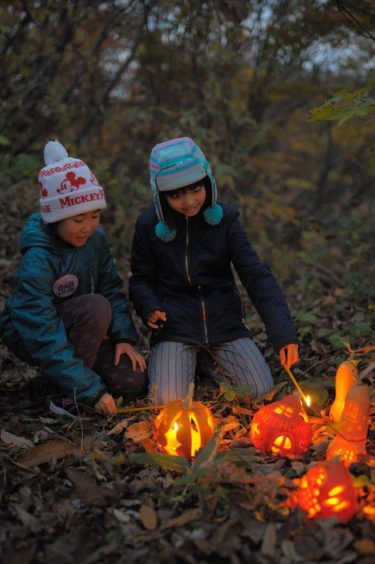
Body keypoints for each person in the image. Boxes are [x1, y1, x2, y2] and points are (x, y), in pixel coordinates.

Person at [129, 136, 299, 404]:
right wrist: (148, 305)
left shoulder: (225, 220)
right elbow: (140, 279)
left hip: (224, 326)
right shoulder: (148, 226)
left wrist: (283, 333)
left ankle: (207, 362)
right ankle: (186, 361)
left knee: (259, 391)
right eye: (176, 194)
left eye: (196, 189)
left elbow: (256, 276)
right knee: (167, 402)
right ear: (160, 195)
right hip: (176, 327)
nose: (188, 202)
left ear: (208, 181)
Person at [0, 140, 147, 416]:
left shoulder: (96, 241)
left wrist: (123, 337)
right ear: (55, 218)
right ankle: (63, 393)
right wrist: (89, 390)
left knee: (132, 381)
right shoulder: (39, 259)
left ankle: (63, 377)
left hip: (85, 328)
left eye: (95, 216)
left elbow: (111, 288)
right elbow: (40, 328)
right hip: (36, 335)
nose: (88, 227)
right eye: (78, 220)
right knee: (95, 307)